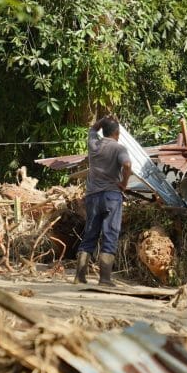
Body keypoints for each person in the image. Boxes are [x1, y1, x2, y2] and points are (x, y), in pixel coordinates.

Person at [74, 116, 132, 286]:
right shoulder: (120, 148)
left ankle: (80, 276)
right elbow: (127, 165)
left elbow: (92, 129)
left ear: (103, 131)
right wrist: (124, 183)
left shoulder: (94, 145)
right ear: (117, 133)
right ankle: (105, 278)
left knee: (90, 234)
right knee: (110, 234)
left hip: (92, 196)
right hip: (111, 196)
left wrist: (104, 120)